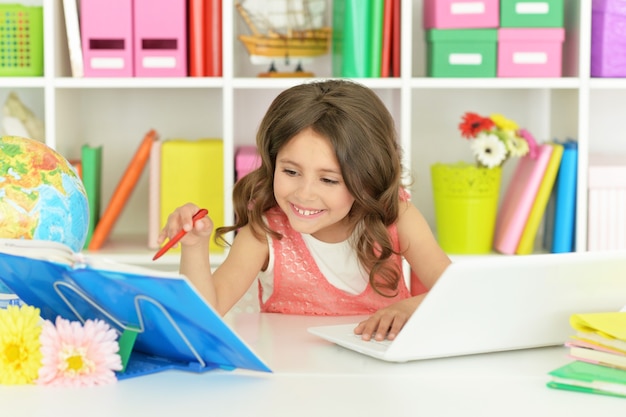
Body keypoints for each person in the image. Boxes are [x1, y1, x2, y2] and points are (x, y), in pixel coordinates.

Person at [158, 79, 451, 341]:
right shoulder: (265, 231)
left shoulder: (397, 216)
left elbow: (458, 292)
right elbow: (204, 315)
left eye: (328, 179)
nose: (305, 193)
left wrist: (410, 307)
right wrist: (194, 247)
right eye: (291, 171)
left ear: (368, 178)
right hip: (290, 378)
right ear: (273, 163)